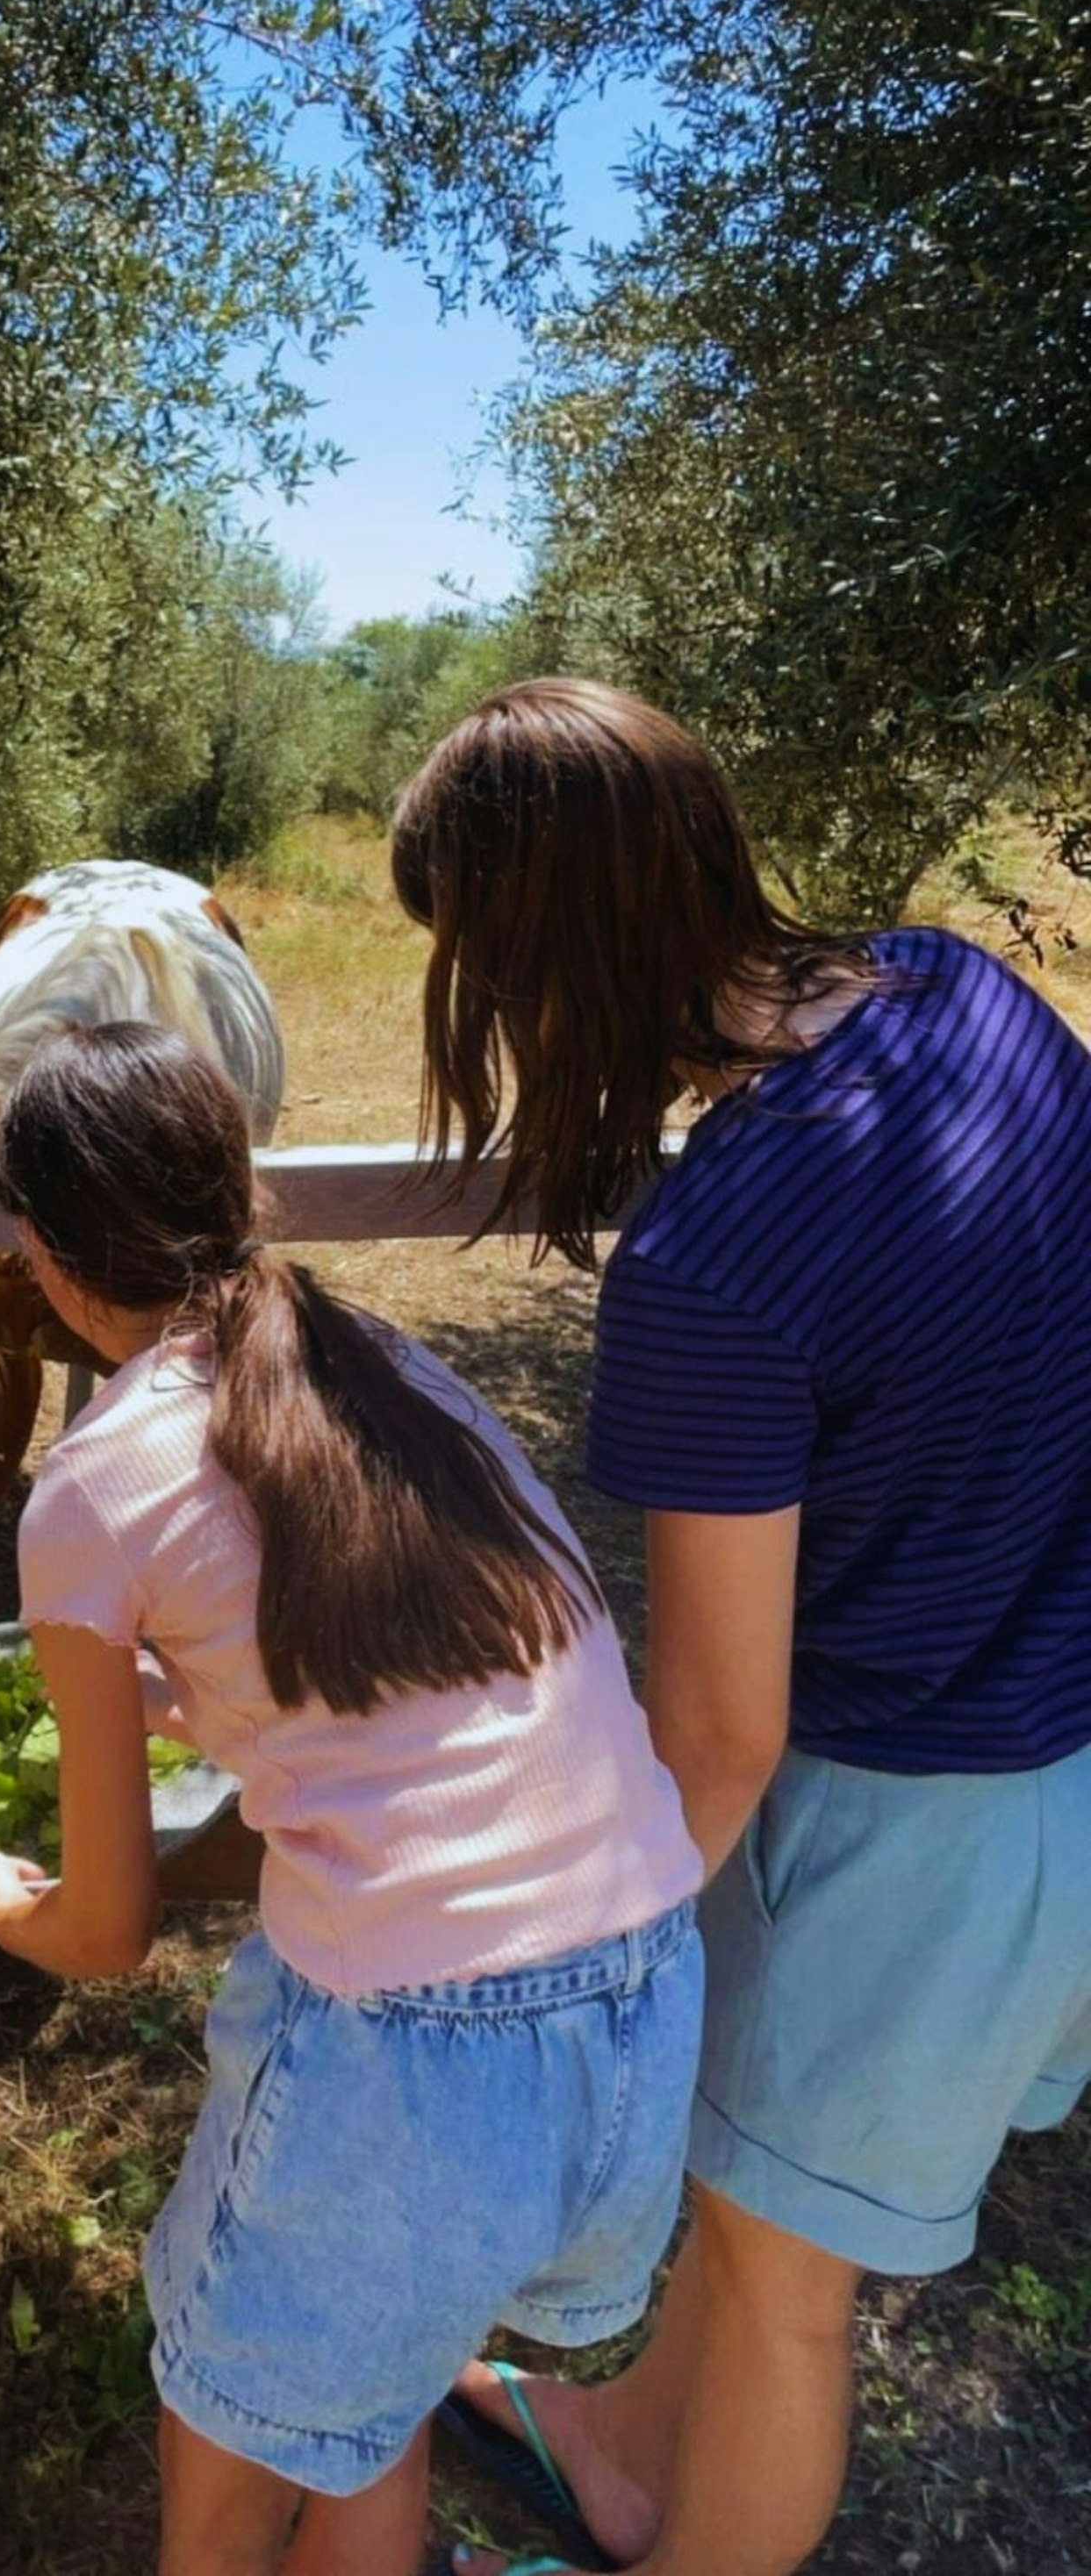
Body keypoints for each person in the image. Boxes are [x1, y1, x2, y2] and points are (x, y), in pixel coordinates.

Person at [390, 678, 1091, 2576]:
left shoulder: (716, 1266)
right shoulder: (972, 996)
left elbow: (717, 1733)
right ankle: (616, 2448)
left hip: (904, 1831)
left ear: (536, 955)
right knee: (752, 2187)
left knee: (792, 2289)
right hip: (1058, 1751)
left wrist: (569, 1979)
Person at [0, 1017, 704, 2576]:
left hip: (415, 2065)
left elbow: (104, 1931)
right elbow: (433, 1675)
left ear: (35, 1249)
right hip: (641, 1992)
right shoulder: (394, 1366)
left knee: (228, 2474)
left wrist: (7, 1909)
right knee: (371, 2405)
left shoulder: (94, 1485)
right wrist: (204, 1699)